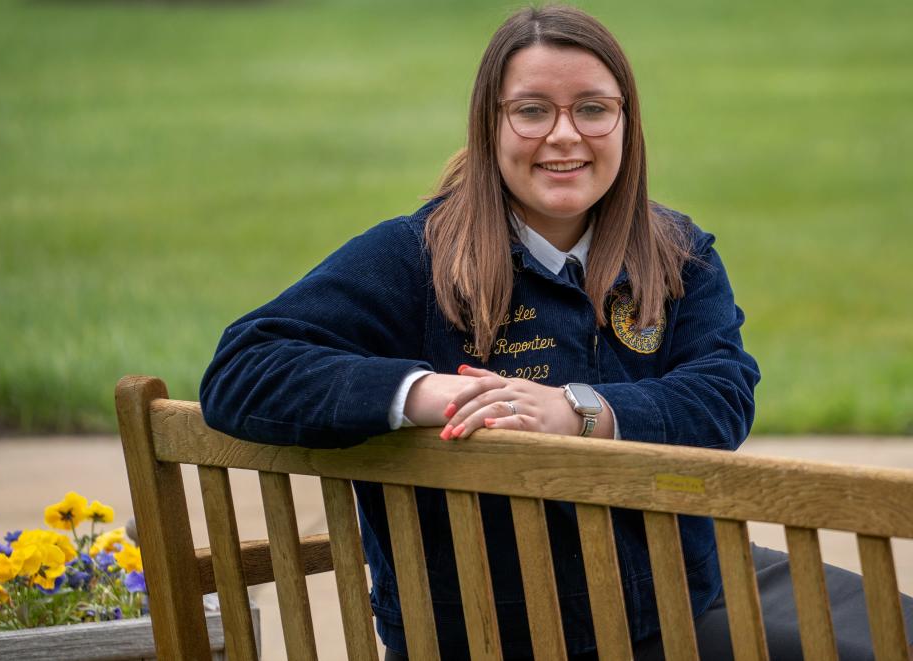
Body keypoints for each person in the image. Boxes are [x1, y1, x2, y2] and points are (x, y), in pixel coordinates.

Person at [200, 6, 912, 659]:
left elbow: (721, 395)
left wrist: (575, 411)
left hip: (676, 585)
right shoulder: (414, 256)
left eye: (592, 110)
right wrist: (430, 394)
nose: (564, 135)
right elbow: (242, 366)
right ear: (490, 125)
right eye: (533, 111)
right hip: (523, 632)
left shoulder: (674, 252)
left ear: (627, 125)